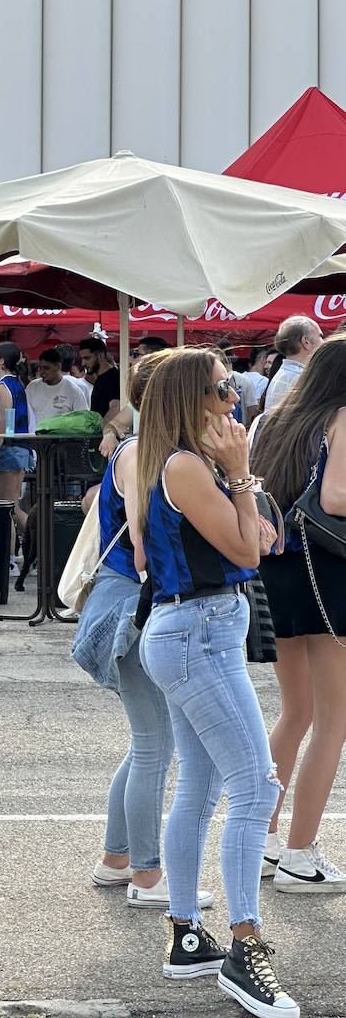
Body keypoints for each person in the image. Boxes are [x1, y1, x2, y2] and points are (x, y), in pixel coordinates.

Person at [133, 348, 297, 1017]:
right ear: (191, 398)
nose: (234, 400)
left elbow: (259, 536)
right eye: (223, 389)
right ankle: (243, 946)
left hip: (194, 629)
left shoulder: (176, 462)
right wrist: (240, 474)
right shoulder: (183, 464)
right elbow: (247, 549)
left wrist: (241, 488)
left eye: (232, 387)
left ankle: (186, 935)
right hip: (197, 630)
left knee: (200, 788)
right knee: (254, 784)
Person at [71, 352, 198, 911]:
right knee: (155, 745)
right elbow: (147, 551)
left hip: (128, 604)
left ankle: (117, 857)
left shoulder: (142, 451)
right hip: (136, 607)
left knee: (148, 743)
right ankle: (146, 876)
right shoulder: (142, 454)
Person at [250, 334, 346, 892]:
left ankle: (264, 839)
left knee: (296, 711)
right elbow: (336, 498)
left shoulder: (275, 419)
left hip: (280, 568)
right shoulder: (342, 417)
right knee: (334, 719)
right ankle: (300, 853)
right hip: (329, 572)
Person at [0, 342, 32, 560]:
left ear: (3, 361)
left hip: (8, 449)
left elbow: (6, 421)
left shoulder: (3, 385)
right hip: (21, 448)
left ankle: (11, 558)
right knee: (12, 506)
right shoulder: (19, 383)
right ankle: (35, 543)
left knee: (6, 508)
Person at [264, 315, 324, 412]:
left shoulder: (287, 373)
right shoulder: (301, 378)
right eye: (320, 336)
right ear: (306, 342)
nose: (323, 342)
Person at [25, 348, 92, 427]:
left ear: (58, 366)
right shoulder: (32, 387)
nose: (42, 372)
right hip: (34, 437)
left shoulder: (73, 391)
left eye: (46, 368)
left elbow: (83, 420)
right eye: (40, 368)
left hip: (63, 438)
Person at [78, 336, 121, 429]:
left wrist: (102, 430)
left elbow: (116, 407)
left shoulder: (113, 377)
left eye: (87, 358)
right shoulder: (101, 379)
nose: (83, 363)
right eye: (82, 359)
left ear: (100, 356)